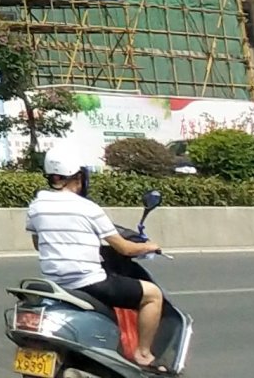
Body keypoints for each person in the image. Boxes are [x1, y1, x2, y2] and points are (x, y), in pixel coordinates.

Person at [25, 141, 163, 371]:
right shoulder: (88, 208)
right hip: (89, 283)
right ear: (78, 176)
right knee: (152, 295)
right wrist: (149, 247)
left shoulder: (36, 206)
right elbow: (125, 249)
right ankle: (143, 354)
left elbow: (38, 244)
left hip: (55, 284)